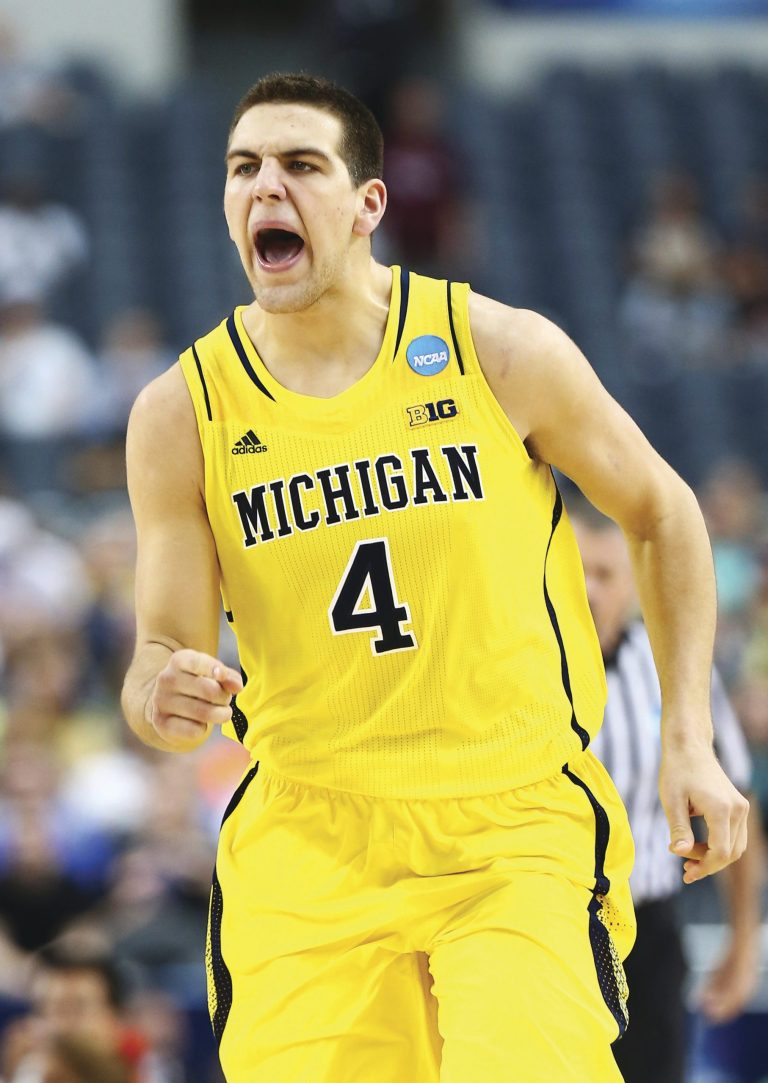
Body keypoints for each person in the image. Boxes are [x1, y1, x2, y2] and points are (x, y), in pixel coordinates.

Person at [120, 72, 748, 1083]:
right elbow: (161, 659)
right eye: (243, 169)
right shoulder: (180, 413)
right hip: (309, 835)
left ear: (368, 204)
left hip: (508, 824)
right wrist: (159, 695)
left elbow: (663, 512)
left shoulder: (496, 348)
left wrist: (688, 737)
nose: (265, 187)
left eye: (300, 165)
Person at [571, 497, 762, 1083]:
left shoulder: (674, 669)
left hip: (646, 932)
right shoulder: (511, 666)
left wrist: (744, 941)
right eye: (577, 571)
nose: (590, 590)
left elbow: (734, 802)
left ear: (632, 582)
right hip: (542, 927)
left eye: (605, 574)